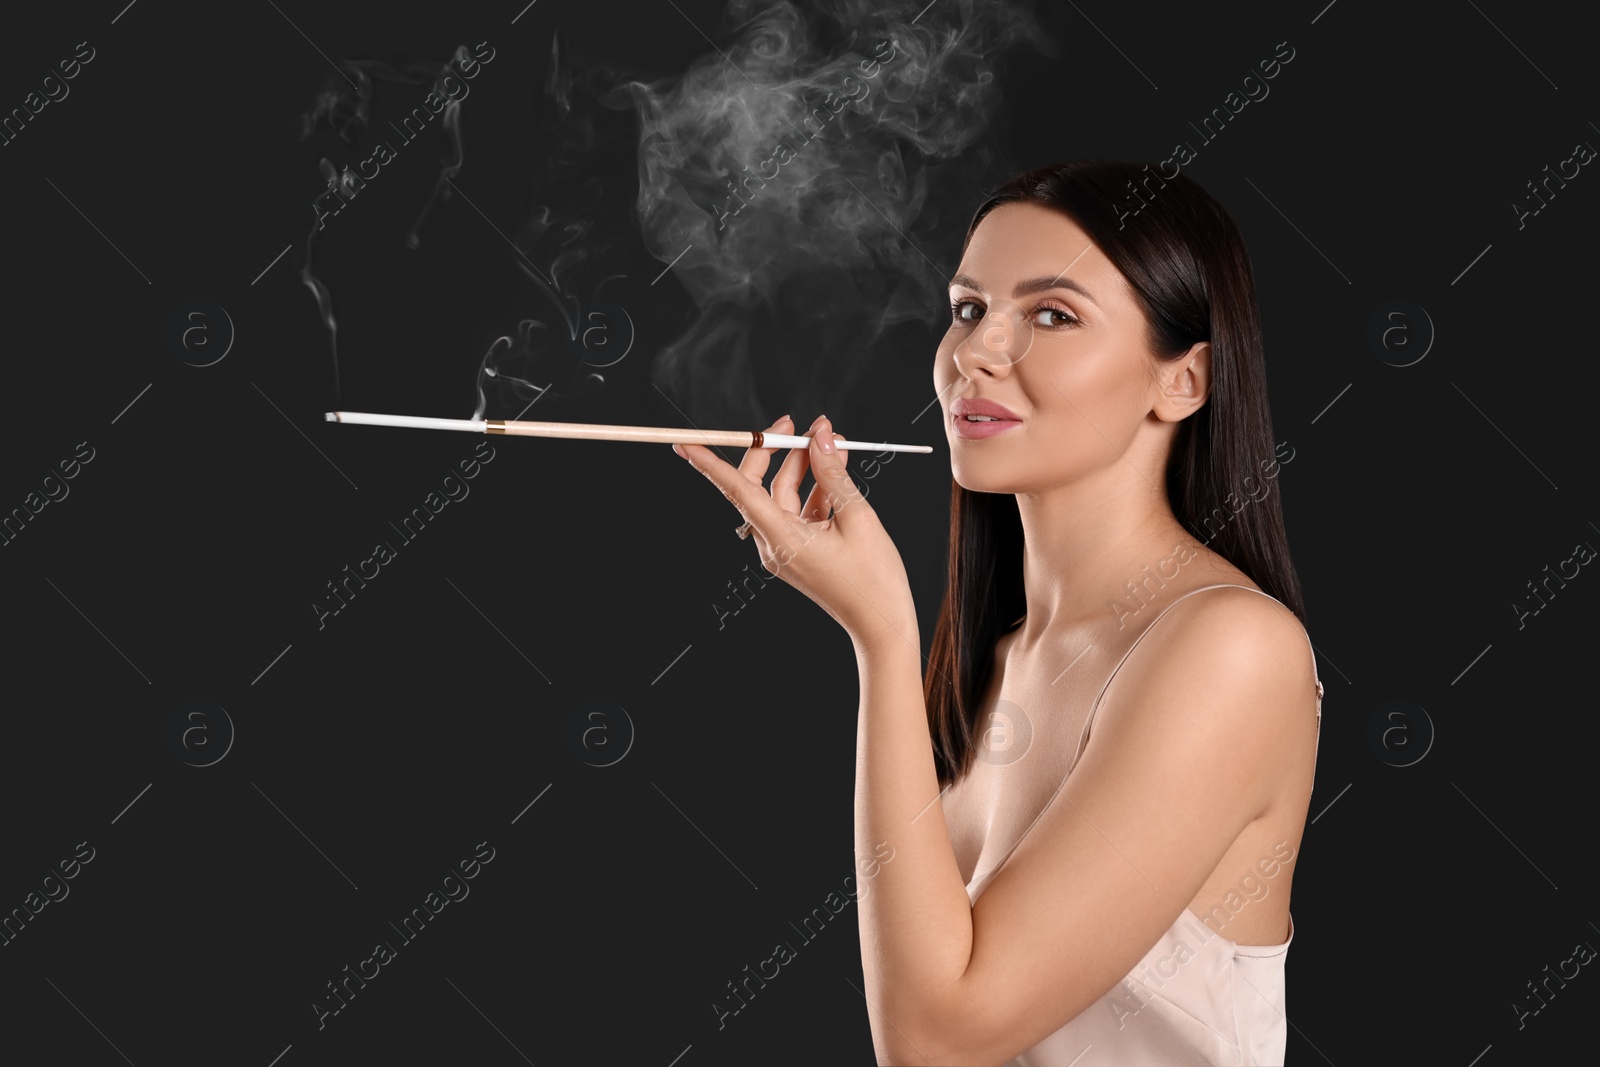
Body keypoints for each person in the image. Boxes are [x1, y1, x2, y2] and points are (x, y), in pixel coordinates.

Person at [671, 159, 1322, 1066]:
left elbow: (935, 1038)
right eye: (970, 308)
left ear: (1183, 381)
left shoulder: (1231, 648)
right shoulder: (1003, 651)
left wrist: (882, 637)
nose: (975, 352)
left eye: (1051, 315)